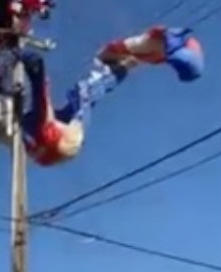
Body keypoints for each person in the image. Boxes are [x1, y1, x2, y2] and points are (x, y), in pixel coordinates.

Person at [17, 26, 203, 167]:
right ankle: (126, 65)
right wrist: (31, 66)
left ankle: (125, 64)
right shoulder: (47, 131)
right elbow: (39, 85)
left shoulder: (32, 126)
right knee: (85, 92)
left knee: (79, 95)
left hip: (48, 148)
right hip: (56, 144)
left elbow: (39, 102)